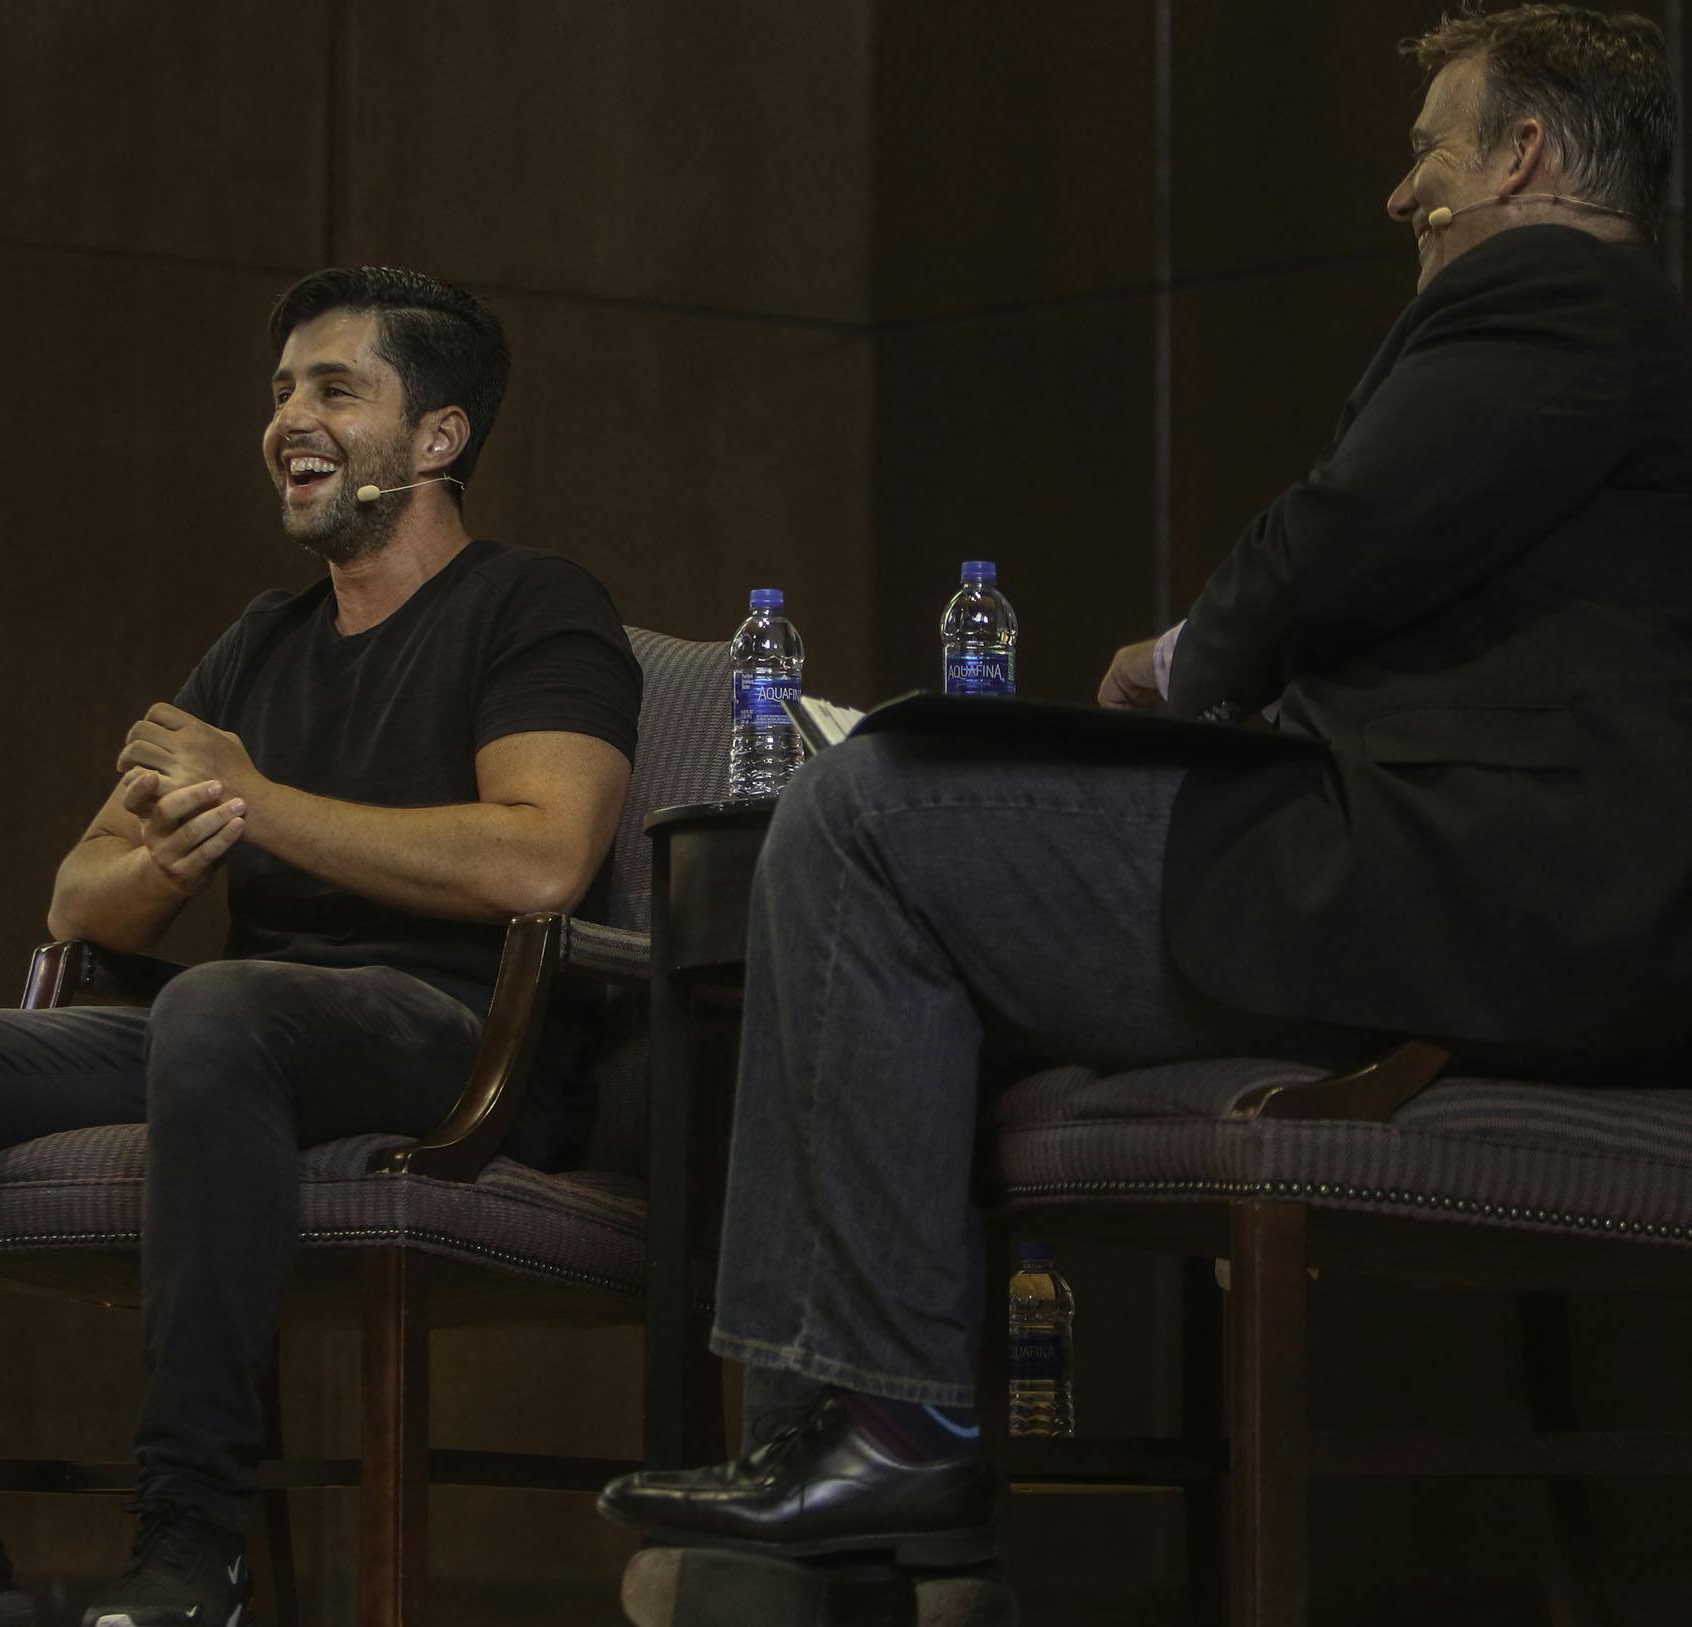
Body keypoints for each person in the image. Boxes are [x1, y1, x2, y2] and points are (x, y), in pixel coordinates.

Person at [600, 0, 1692, 1589]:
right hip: (1526, 896)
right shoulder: (1627, 327)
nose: (1402, 196)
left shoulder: (1554, 292)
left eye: (1428, 156)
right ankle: (842, 1482)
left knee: (873, 809)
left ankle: (878, 1442)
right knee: (908, 869)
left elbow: (1345, 534)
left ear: (1523, 154)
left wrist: (1180, 662)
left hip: (1478, 889)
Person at [0, 267, 641, 1627]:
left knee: (224, 1008)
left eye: (334, 388)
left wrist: (262, 805)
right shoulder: (261, 645)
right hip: (232, 1039)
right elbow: (80, 900)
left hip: (450, 1035)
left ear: (438, 440)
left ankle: (196, 1541)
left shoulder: (534, 605)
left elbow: (542, 857)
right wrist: (164, 866)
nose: (287, 420)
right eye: (278, 394)